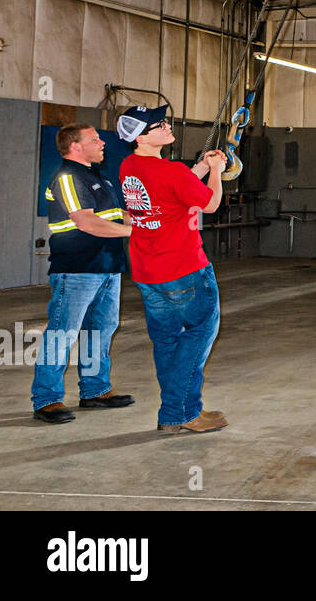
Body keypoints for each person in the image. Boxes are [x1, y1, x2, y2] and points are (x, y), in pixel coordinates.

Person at [116, 105, 229, 435]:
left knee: (166, 342)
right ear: (141, 137)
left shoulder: (129, 167)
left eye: (164, 121)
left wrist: (199, 167)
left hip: (149, 273)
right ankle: (182, 412)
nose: (166, 127)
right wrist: (217, 170)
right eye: (158, 125)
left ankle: (177, 413)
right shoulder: (172, 172)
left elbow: (169, 189)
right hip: (186, 270)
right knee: (198, 337)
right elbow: (209, 203)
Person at [32, 124, 135, 424]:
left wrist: (148, 221)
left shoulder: (98, 177)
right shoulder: (67, 178)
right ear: (75, 146)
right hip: (78, 269)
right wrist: (137, 234)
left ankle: (95, 390)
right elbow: (86, 223)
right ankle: (47, 399)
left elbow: (114, 216)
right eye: (94, 139)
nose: (102, 142)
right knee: (63, 332)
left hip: (108, 267)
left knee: (101, 330)